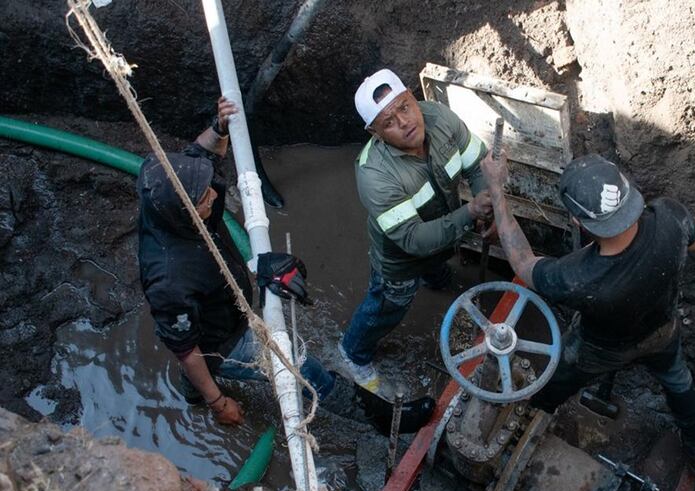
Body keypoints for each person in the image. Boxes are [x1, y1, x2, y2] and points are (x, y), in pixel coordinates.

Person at [479, 152, 695, 475]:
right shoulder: (670, 216)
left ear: (577, 221)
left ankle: (533, 415)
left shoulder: (575, 277)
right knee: (677, 380)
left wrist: (496, 189)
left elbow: (522, 262)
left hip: (602, 350)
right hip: (661, 330)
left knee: (559, 377)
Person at [137, 97, 335, 426]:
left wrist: (218, 129)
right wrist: (219, 403)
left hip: (215, 309)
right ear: (182, 213)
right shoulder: (170, 280)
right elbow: (187, 349)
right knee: (301, 365)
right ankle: (350, 404)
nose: (214, 196)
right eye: (202, 199)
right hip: (224, 341)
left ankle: (191, 391)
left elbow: (193, 156)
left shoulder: (159, 184)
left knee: (186, 337)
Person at [339, 69, 493, 393]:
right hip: (401, 260)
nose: (405, 122)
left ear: (412, 95)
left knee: (438, 264)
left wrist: (486, 201)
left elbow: (477, 163)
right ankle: (353, 353)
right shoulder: (374, 175)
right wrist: (470, 212)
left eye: (405, 107)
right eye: (389, 122)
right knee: (387, 307)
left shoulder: (439, 117)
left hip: (444, 234)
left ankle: (436, 279)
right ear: (375, 133)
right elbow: (412, 240)